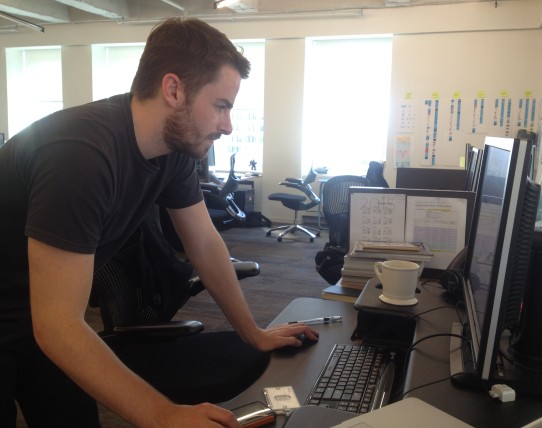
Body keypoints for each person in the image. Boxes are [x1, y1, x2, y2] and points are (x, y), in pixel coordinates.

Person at [0, 18, 318, 428]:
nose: (227, 125)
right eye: (221, 106)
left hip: (43, 314)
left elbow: (204, 244)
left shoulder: (175, 151)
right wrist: (161, 414)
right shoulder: (81, 156)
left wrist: (252, 333)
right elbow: (57, 324)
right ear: (173, 89)